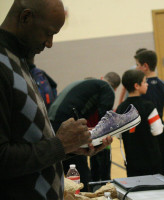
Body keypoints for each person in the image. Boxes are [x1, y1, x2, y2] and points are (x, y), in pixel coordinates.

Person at [0, 0, 112, 199]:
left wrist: (70, 147)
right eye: (49, 33)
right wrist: (60, 144)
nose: (49, 44)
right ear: (25, 17)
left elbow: (27, 142)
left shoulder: (18, 59)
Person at [48, 72, 121, 191]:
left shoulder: (88, 84)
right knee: (80, 175)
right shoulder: (107, 89)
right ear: (116, 88)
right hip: (68, 124)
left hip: (54, 123)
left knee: (69, 173)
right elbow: (105, 122)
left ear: (103, 78)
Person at [135, 50, 164, 178]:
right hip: (162, 128)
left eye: (137, 65)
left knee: (149, 169)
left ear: (145, 66)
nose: (136, 68)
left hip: (146, 132)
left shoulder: (140, 87)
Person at [116, 69, 164, 176]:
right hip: (151, 160)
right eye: (144, 82)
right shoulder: (148, 106)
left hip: (132, 162)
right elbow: (157, 130)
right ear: (136, 86)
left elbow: (118, 135)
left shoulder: (120, 108)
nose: (147, 84)